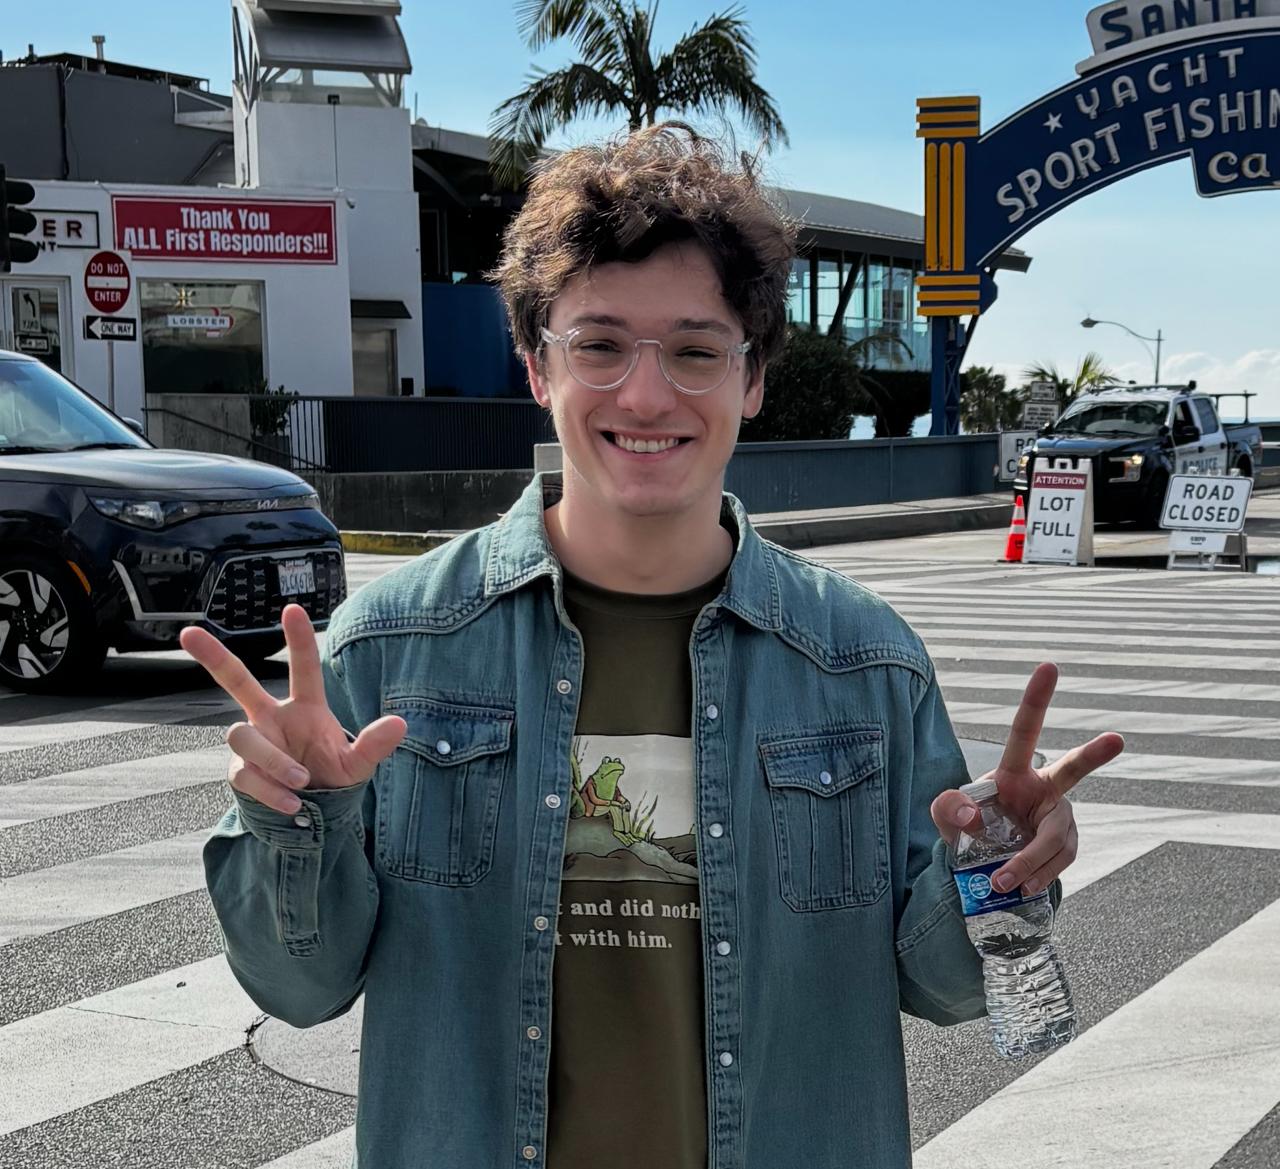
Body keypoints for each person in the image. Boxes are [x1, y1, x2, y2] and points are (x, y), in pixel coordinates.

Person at [183, 123, 1123, 1169]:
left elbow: (944, 988)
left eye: (692, 349)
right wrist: (300, 816)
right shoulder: (392, 648)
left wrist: (995, 873)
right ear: (537, 366)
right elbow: (297, 987)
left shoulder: (863, 664)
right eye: (598, 344)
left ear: (751, 376)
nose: (643, 393)